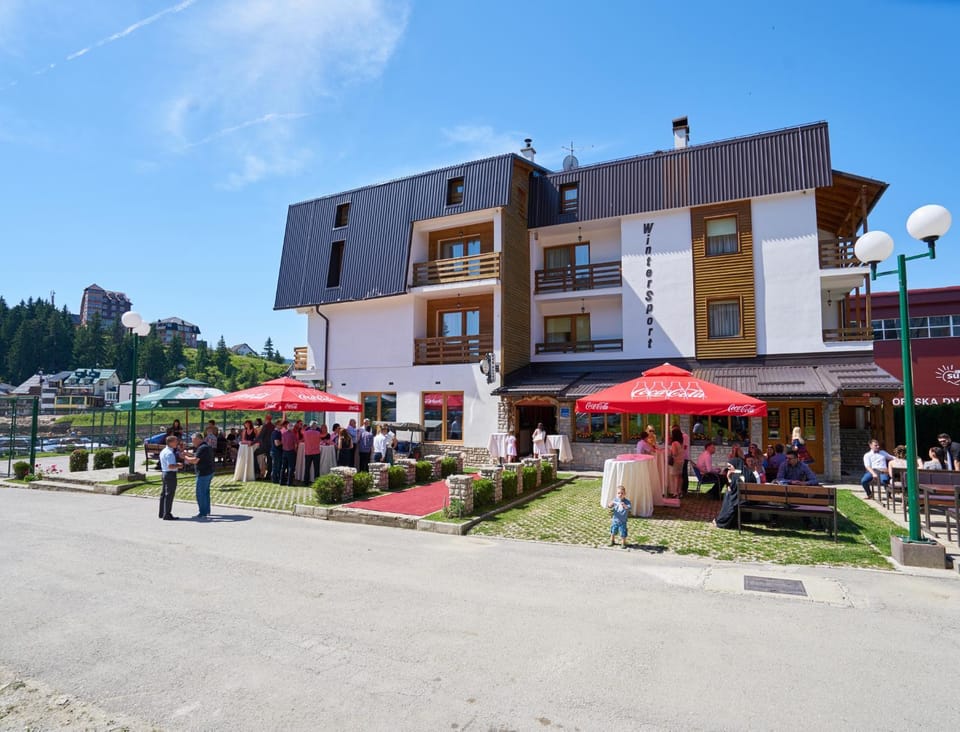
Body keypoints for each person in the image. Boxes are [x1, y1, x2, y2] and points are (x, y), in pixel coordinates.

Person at [184, 432, 214, 519]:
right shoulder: (206, 446)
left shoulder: (201, 448)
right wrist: (188, 454)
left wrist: (185, 458)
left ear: (198, 439)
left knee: (200, 493)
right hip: (209, 472)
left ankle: (203, 512)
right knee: (205, 492)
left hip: (203, 473)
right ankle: (207, 510)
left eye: (193, 440)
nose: (192, 442)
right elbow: (198, 456)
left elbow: (195, 460)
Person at [158, 435, 182, 520]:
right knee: (169, 494)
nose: (177, 443)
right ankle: (167, 514)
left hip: (164, 473)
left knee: (164, 494)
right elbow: (171, 466)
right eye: (175, 441)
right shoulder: (169, 453)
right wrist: (178, 465)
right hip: (170, 474)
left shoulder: (164, 451)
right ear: (171, 442)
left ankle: (162, 512)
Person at [255, 415, 275, 480]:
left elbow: (260, 436)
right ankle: (268, 475)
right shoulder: (273, 426)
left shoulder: (265, 426)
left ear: (266, 419)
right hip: (271, 445)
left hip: (264, 446)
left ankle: (257, 471)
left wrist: (253, 442)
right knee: (270, 461)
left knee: (254, 454)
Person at [668, 427, 685, 498]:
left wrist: (670, 452)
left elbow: (675, 453)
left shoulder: (674, 443)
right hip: (681, 461)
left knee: (675, 477)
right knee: (680, 476)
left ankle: (675, 492)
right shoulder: (681, 443)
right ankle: (680, 491)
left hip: (676, 462)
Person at [280, 420, 298, 485]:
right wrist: (295, 450)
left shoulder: (283, 434)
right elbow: (296, 444)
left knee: (283, 467)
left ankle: (281, 481)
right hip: (291, 451)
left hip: (284, 451)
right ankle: (289, 482)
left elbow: (282, 442)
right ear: (292, 428)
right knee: (291, 467)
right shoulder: (293, 435)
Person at [270, 420, 285, 484]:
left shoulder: (277, 432)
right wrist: (283, 441)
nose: (281, 426)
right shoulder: (276, 432)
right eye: (280, 425)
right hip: (276, 451)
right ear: (277, 425)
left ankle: (276, 478)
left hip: (276, 451)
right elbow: (277, 443)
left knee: (277, 466)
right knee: (276, 466)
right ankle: (275, 479)